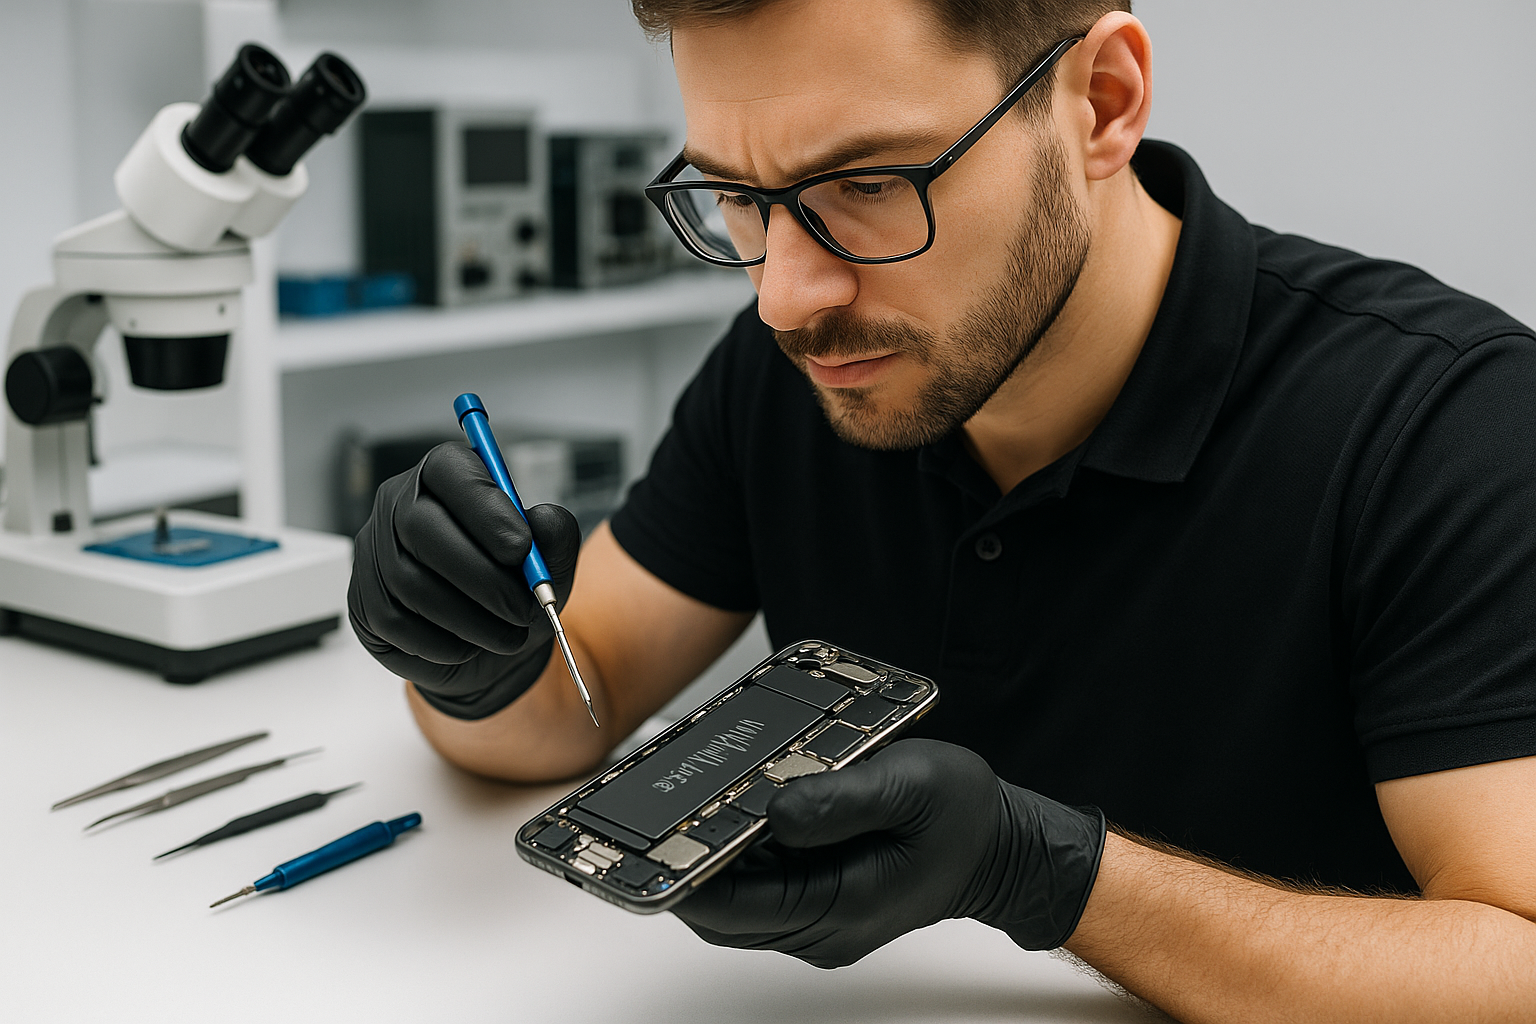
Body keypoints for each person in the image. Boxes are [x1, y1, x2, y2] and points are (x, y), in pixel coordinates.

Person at [347, 0, 1536, 1018]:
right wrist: (462, 653)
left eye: (868, 183)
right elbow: (566, 702)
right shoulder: (800, 367)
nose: (787, 296)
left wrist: (1049, 874)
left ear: (1103, 103)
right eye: (737, 198)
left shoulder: (1446, 425)